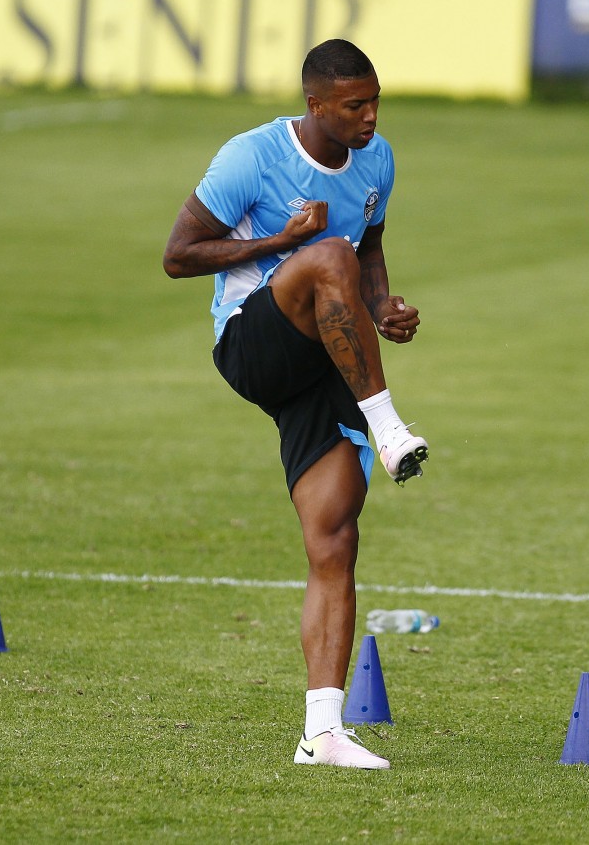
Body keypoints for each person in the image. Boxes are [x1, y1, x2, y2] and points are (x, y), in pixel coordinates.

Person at [162, 39, 428, 770]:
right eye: (354, 106)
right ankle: (389, 424)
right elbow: (178, 254)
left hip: (323, 354)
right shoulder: (250, 157)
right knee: (326, 254)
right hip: (252, 343)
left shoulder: (379, 160)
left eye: (375, 100)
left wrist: (383, 310)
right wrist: (285, 240)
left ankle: (323, 732)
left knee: (335, 535)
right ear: (315, 105)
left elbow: (369, 250)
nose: (371, 116)